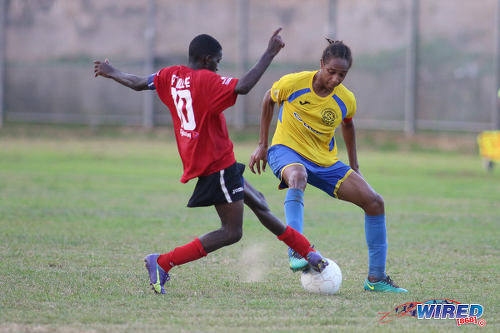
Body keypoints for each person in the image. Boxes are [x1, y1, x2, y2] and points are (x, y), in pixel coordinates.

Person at [94, 28, 327, 294]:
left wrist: (112, 72)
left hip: (217, 161)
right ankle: (161, 262)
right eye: (217, 61)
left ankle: (309, 253)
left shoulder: (169, 75)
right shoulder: (206, 81)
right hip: (216, 165)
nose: (218, 67)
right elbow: (243, 86)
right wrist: (270, 53)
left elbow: (138, 83)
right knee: (231, 231)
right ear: (206, 59)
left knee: (260, 203)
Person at [249, 38, 407, 293]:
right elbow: (269, 98)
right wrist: (262, 145)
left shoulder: (346, 99)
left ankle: (376, 279)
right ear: (321, 64)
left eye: (342, 75)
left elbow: (348, 124)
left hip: (324, 160)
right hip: (285, 150)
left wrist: (354, 165)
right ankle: (297, 250)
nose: (335, 79)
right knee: (298, 175)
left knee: (375, 202)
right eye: (331, 72)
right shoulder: (294, 83)